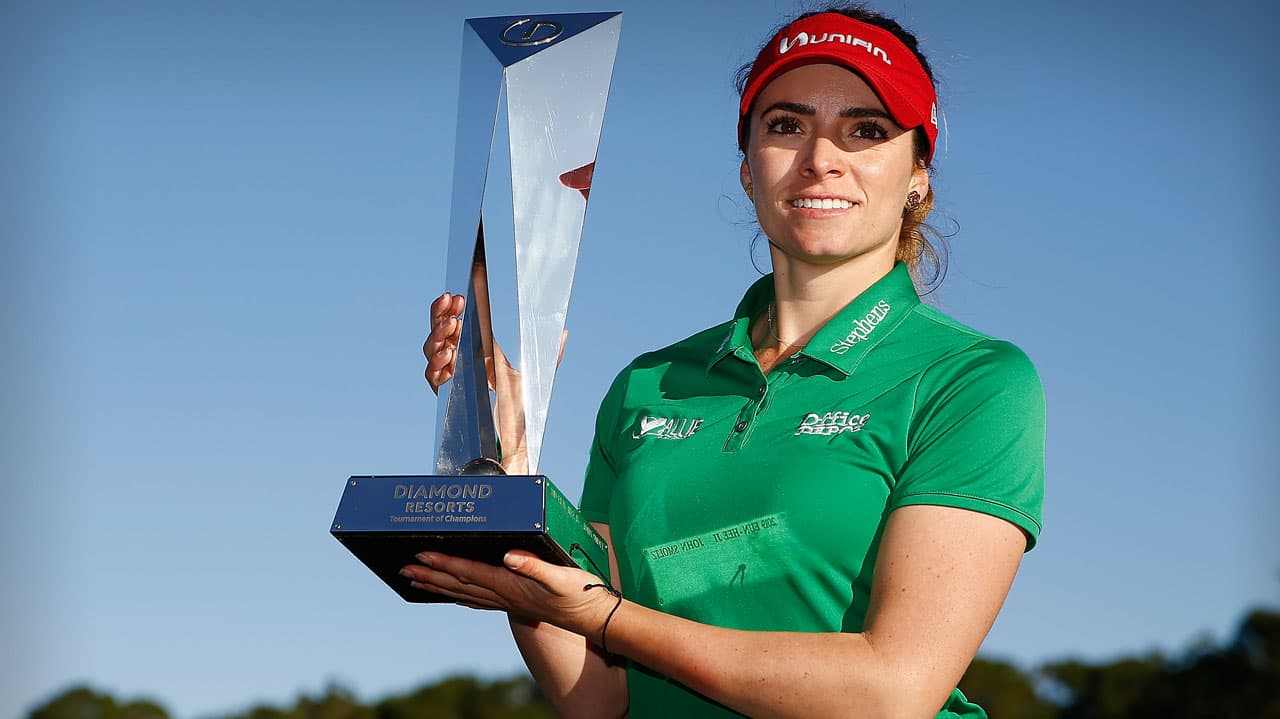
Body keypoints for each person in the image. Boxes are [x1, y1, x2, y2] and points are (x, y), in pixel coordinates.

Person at [409, 5, 1045, 718]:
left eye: (865, 130)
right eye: (786, 125)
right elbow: (599, 697)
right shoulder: (649, 384)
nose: (821, 158)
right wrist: (508, 470)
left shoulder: (972, 379)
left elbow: (892, 691)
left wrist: (607, 617)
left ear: (919, 174)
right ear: (748, 170)